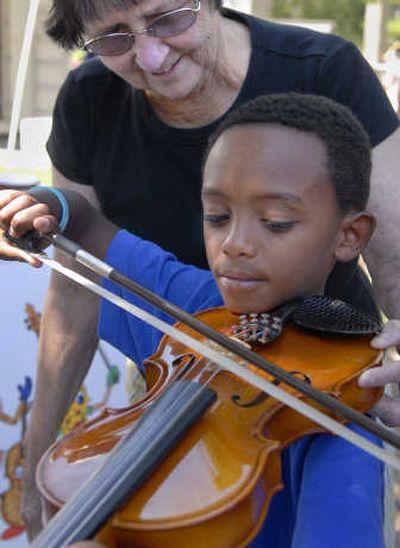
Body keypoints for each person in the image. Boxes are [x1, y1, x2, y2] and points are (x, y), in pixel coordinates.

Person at [20, 0, 400, 538]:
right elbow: (86, 254)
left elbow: (397, 258)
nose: (150, 58)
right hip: (188, 367)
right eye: (114, 39)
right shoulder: (185, 307)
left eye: (168, 17)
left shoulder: (321, 68)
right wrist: (54, 205)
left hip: (333, 376)